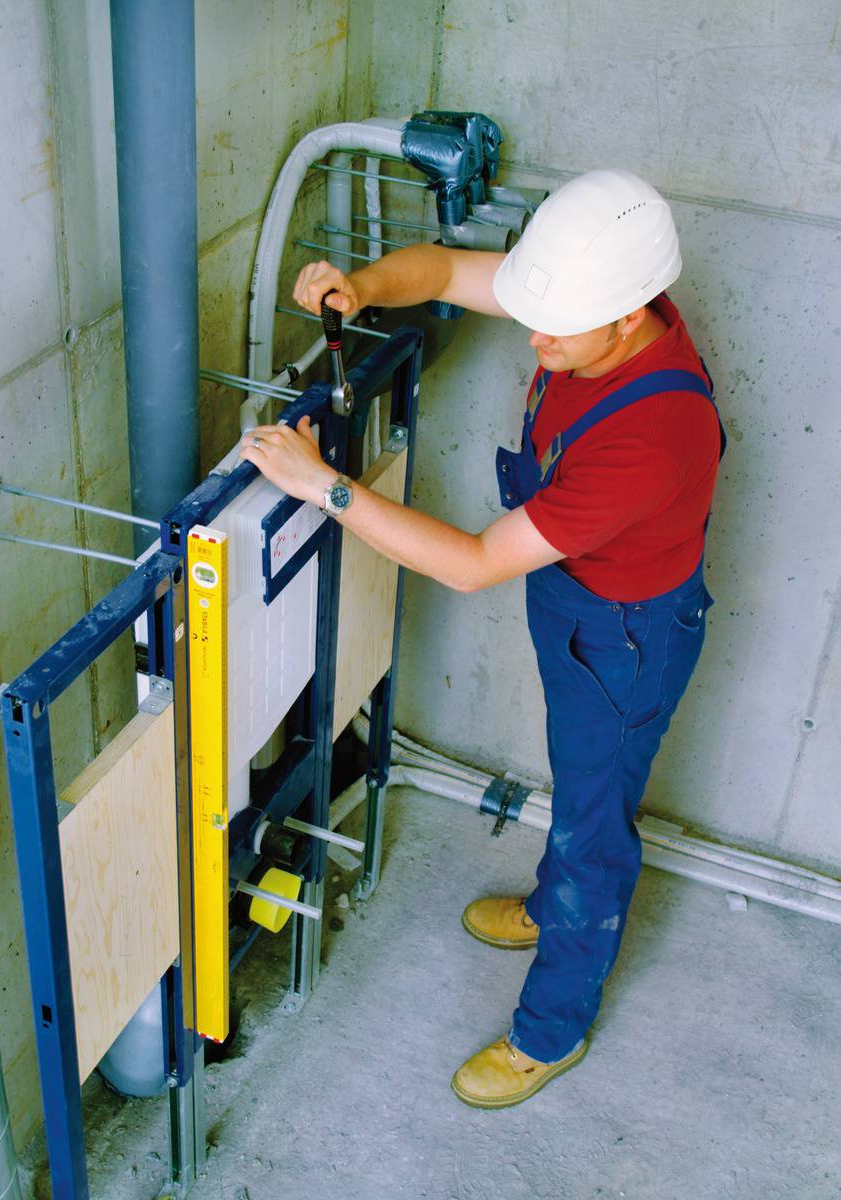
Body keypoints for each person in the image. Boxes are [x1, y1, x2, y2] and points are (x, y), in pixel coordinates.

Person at [240, 168, 724, 1110]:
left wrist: (322, 487)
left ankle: (551, 1032)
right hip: (579, 603)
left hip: (624, 641)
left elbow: (469, 564)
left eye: (554, 330)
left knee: (593, 829)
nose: (533, 340)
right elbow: (446, 271)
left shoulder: (653, 436)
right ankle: (549, 908)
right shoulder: (596, 303)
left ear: (628, 319)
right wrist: (362, 287)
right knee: (582, 785)